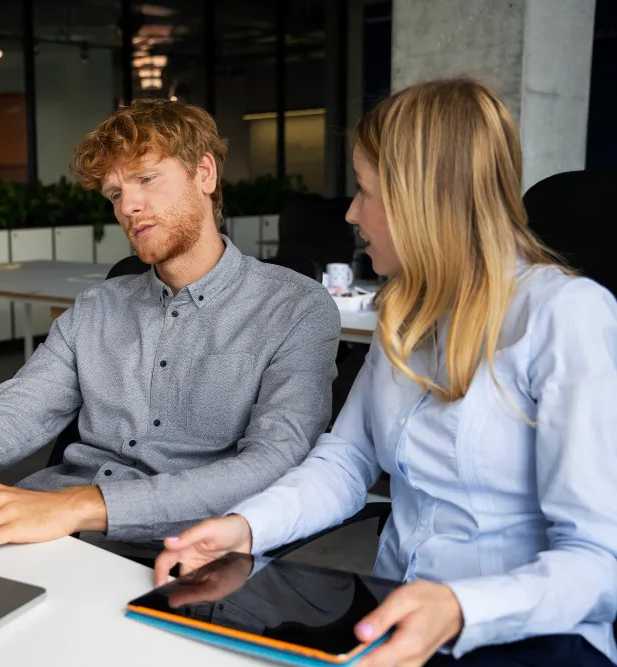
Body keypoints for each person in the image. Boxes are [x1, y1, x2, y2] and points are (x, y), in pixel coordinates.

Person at [155, 78, 617, 667]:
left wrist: (459, 607)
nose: (351, 212)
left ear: (423, 198)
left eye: (364, 190)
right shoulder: (406, 313)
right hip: (392, 620)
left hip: (529, 636)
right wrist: (246, 527)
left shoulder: (564, 318)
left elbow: (599, 559)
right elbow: (346, 461)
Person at [0, 99, 341, 560]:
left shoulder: (295, 307)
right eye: (115, 193)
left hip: (189, 551)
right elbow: (17, 412)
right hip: (55, 536)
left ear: (204, 173)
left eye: (146, 179)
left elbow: (274, 463)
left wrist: (84, 505)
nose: (128, 207)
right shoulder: (96, 308)